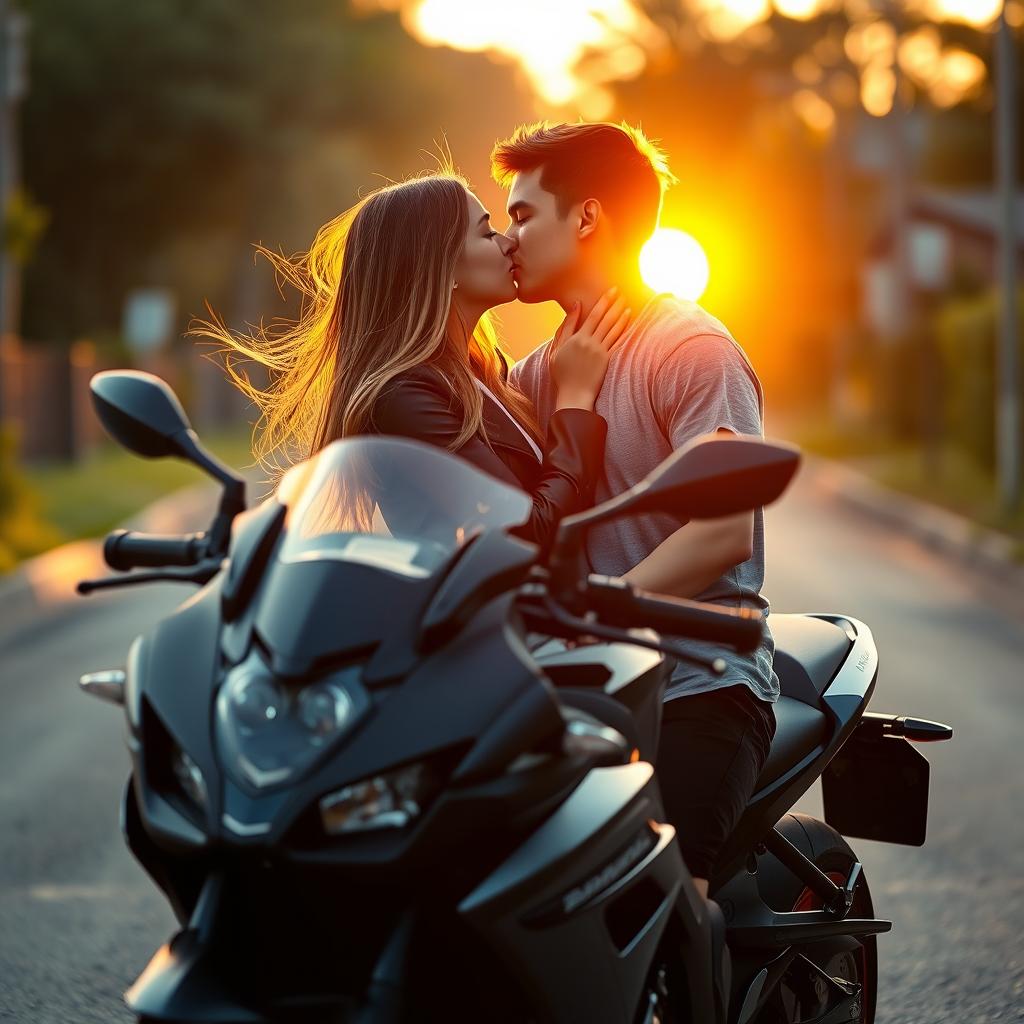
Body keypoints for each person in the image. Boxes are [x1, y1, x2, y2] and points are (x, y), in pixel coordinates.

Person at [493, 120, 778, 898]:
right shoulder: (532, 378)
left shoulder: (690, 347)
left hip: (698, 683)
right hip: (578, 687)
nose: (509, 238)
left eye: (522, 216)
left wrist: (601, 613)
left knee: (665, 905)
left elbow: (721, 532)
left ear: (585, 218)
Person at [194, 171, 630, 552]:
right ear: (441, 266)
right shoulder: (404, 397)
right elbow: (526, 533)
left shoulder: (486, 371)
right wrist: (574, 400)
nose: (508, 242)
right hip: (468, 636)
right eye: (486, 231)